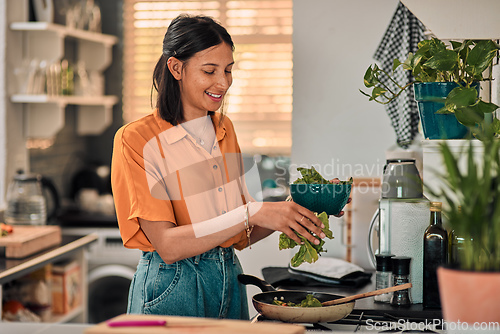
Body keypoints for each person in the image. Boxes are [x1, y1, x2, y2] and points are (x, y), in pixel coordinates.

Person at [111, 14, 345, 320]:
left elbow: (239, 234)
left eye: (228, 70)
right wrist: (253, 212)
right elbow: (167, 246)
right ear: (176, 67)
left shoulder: (223, 129)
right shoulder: (136, 139)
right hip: (172, 285)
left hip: (228, 279)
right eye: (209, 71)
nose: (223, 83)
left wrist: (296, 208)